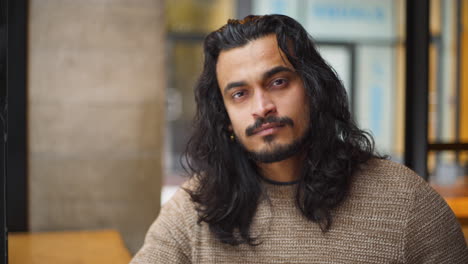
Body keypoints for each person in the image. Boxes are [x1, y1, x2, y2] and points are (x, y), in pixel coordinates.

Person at [131, 14, 468, 263]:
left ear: (313, 88)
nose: (261, 107)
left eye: (278, 82)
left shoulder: (407, 203)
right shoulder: (194, 209)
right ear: (225, 117)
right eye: (239, 94)